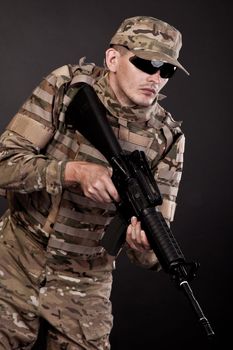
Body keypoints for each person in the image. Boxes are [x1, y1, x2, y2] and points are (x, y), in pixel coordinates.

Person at [0, 16, 188, 349]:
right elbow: (4, 164)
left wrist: (144, 248)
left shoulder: (168, 138)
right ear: (112, 59)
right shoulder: (68, 87)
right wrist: (71, 172)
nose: (156, 78)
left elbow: (155, 244)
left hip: (85, 283)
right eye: (146, 63)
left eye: (167, 70)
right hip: (15, 258)